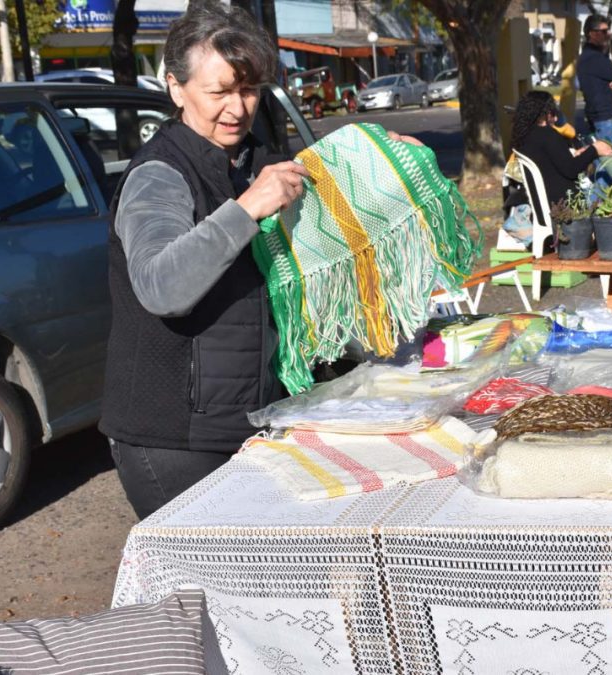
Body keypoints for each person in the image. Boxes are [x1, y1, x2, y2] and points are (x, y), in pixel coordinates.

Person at [99, 2, 414, 519]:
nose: (237, 108)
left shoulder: (250, 159)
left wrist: (381, 158)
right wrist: (247, 209)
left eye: (248, 91)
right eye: (218, 92)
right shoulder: (159, 175)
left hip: (249, 421)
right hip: (173, 440)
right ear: (176, 88)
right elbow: (161, 287)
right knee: (205, 590)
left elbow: (324, 186)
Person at [511, 91, 612, 217]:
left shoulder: (524, 136)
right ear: (545, 114)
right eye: (553, 113)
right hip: (564, 203)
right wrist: (594, 150)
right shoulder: (548, 135)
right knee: (605, 180)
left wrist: (580, 154)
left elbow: (553, 162)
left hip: (542, 201)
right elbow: (571, 170)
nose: (555, 118)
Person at [576, 14, 612, 144]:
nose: (608, 34)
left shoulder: (597, 55)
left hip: (605, 116)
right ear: (592, 34)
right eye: (604, 31)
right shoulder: (592, 57)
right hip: (605, 118)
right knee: (609, 160)